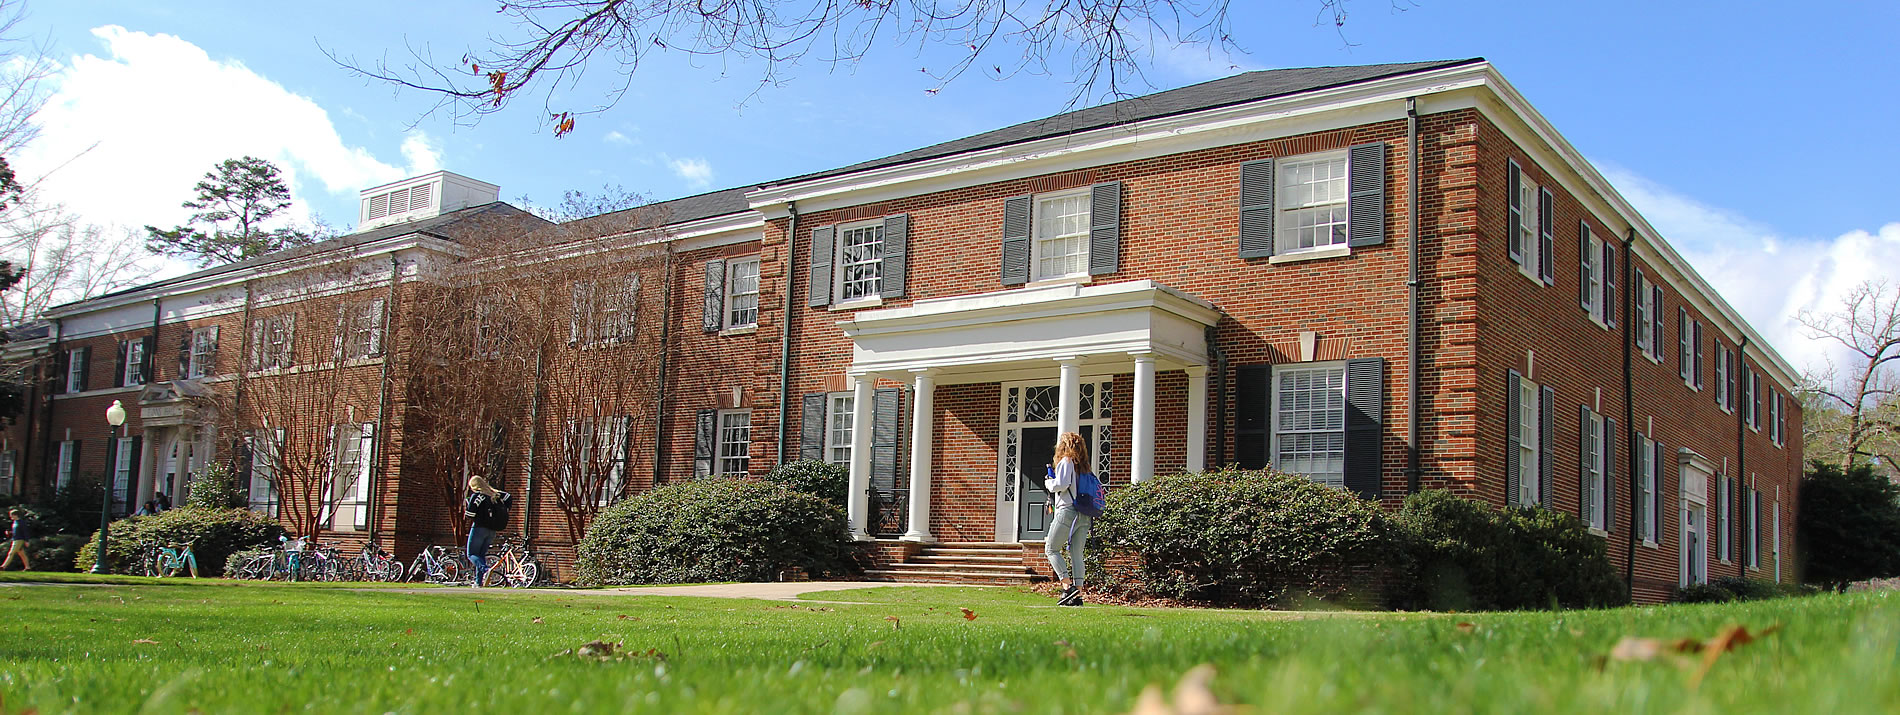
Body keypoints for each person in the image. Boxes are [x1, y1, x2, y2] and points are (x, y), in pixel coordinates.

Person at [1043, 431, 1091, 607]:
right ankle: (1077, 594)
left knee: (1051, 548)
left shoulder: (1066, 461)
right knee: (1077, 553)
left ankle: (1067, 586)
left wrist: (1049, 482)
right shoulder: (1084, 466)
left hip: (1068, 511)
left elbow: (1061, 485)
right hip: (1084, 514)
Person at [462, 475, 512, 587]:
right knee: (480, 555)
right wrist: (506, 510)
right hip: (492, 530)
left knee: (472, 554)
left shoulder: (477, 496)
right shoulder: (495, 494)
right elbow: (508, 496)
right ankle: (478, 582)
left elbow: (470, 514)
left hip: (479, 528)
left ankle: (485, 570)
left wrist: (468, 505)